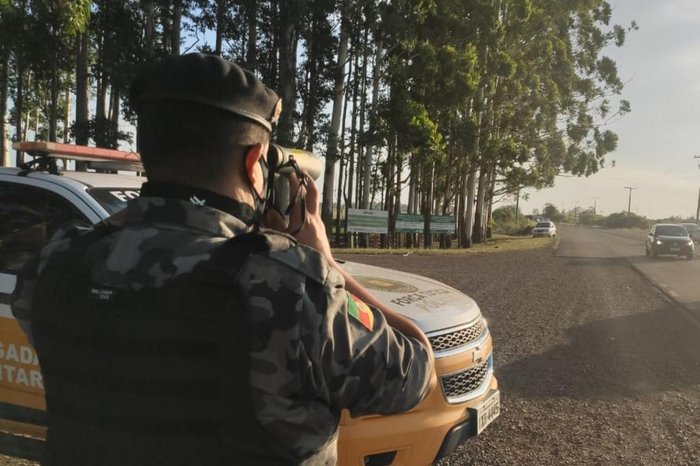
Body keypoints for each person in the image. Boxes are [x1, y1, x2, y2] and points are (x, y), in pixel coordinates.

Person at [11, 53, 433, 466]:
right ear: (253, 166)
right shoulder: (292, 287)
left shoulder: (56, 263)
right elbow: (414, 372)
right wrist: (325, 261)